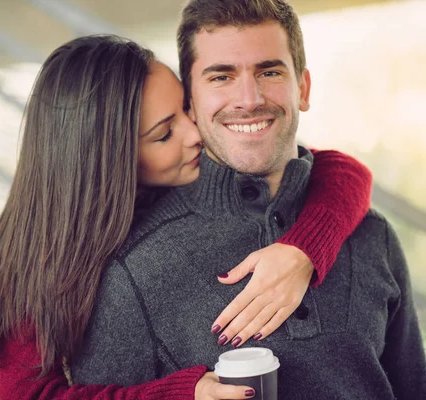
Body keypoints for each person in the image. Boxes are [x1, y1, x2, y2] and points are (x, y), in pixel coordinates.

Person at [0, 34, 373, 400]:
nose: (195, 133)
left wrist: (302, 251)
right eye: (164, 134)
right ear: (108, 159)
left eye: (186, 108)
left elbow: (343, 170)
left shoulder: (175, 185)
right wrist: (181, 393)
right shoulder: (34, 266)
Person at [68, 1, 426, 399]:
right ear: (190, 101)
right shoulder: (130, 271)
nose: (249, 98)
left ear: (303, 88)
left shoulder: (373, 234)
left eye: (269, 71)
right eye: (221, 77)